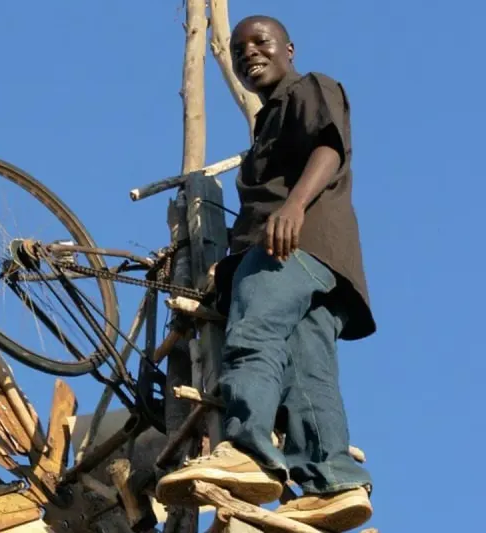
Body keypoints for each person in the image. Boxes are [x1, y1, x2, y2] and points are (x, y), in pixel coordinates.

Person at [155, 14, 376, 532]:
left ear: (289, 48)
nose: (248, 53)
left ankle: (246, 450)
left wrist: (294, 208)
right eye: (237, 50)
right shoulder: (267, 122)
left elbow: (329, 147)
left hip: (289, 245)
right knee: (307, 369)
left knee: (253, 335)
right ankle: (333, 481)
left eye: (260, 42)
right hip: (323, 263)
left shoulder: (311, 87)